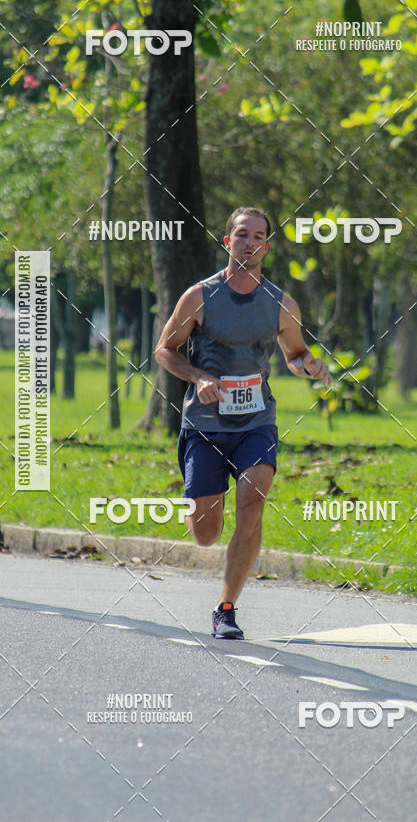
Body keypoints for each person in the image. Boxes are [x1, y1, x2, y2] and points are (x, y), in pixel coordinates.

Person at [154, 206, 332, 639]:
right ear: (227, 241)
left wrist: (310, 364)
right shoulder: (199, 296)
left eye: (257, 236)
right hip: (205, 425)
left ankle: (226, 609)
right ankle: (198, 501)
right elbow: (165, 350)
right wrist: (198, 377)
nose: (249, 242)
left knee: (252, 505)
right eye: (241, 234)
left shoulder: (281, 304)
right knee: (205, 534)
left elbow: (294, 354)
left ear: (266, 246)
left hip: (256, 422)